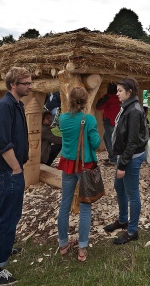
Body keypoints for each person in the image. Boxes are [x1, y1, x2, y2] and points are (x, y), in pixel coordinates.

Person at [0, 67, 32, 285]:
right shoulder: (5, 107)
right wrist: (16, 168)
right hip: (9, 170)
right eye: (26, 83)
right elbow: (0, 141)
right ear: (13, 84)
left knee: (1, 208)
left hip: (9, 169)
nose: (30, 86)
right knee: (8, 215)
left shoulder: (15, 105)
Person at [57, 86, 101, 262]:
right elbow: (96, 143)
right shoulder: (88, 119)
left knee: (65, 204)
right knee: (85, 207)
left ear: (70, 100)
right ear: (85, 101)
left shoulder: (62, 118)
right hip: (85, 165)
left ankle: (63, 244)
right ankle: (82, 248)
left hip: (68, 164)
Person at [104, 77, 148, 245]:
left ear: (129, 92)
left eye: (120, 91)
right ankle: (123, 220)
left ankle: (132, 230)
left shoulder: (134, 110)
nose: (117, 94)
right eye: (117, 90)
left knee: (132, 193)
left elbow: (132, 142)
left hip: (131, 157)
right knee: (118, 186)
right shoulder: (127, 107)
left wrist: (122, 164)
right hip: (124, 156)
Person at [96, 83, 121, 165]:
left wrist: (103, 98)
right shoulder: (120, 96)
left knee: (110, 140)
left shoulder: (108, 97)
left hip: (109, 121)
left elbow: (98, 107)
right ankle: (112, 156)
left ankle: (113, 160)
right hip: (118, 121)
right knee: (107, 138)